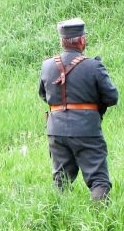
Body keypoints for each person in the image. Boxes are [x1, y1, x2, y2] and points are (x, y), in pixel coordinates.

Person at [39, 18, 118, 201]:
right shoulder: (93, 66)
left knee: (61, 180)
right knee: (99, 180)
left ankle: (57, 219)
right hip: (86, 129)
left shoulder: (47, 65)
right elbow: (112, 97)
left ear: (62, 41)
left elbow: (43, 94)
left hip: (55, 129)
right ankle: (100, 222)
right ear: (82, 40)